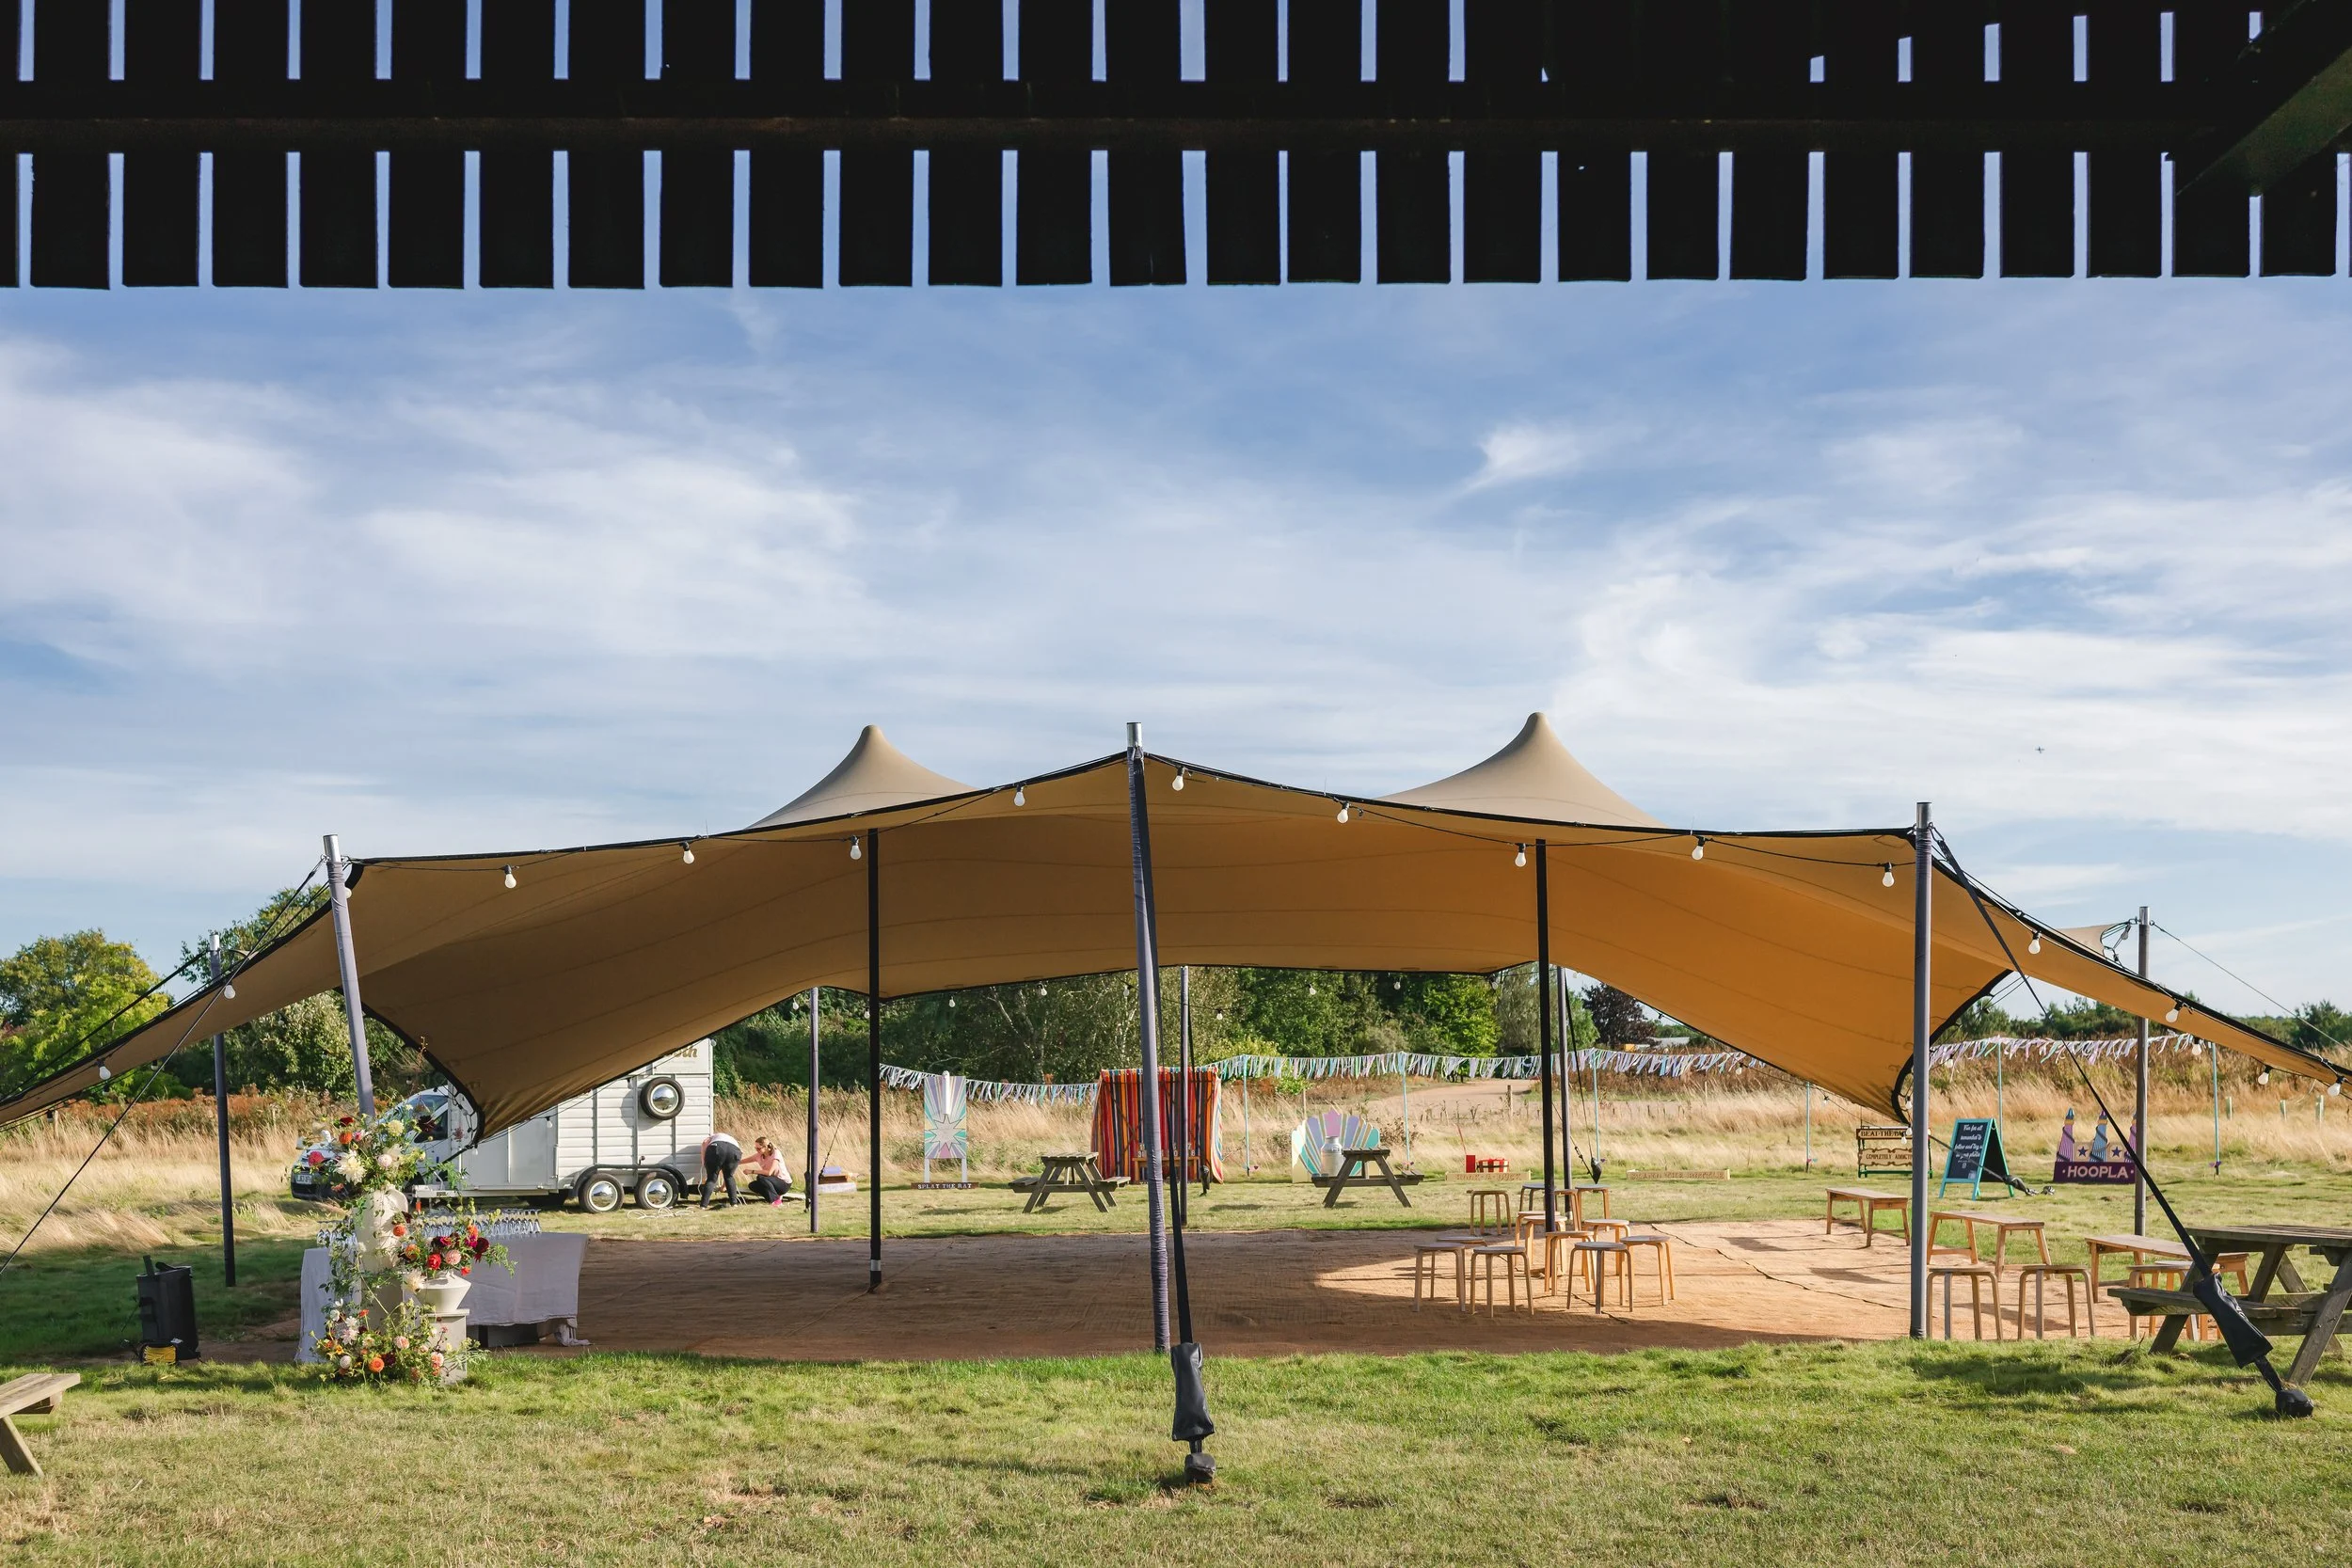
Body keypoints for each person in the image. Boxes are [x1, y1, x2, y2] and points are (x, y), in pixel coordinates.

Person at [743, 1137, 795, 1206]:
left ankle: (776, 1201)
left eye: (759, 1148)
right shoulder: (759, 1155)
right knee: (752, 1185)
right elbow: (745, 1160)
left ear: (766, 1147)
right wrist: (732, 1162)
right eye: (755, 1148)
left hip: (784, 1183)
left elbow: (769, 1173)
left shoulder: (776, 1153)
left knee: (760, 1177)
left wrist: (751, 1171)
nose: (757, 1150)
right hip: (772, 1182)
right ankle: (773, 1199)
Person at [699, 1130, 742, 1208]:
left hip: (716, 1147)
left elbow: (705, 1143)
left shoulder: (714, 1136)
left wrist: (703, 1160)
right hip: (734, 1150)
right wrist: (723, 1187)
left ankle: (703, 1205)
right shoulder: (733, 1139)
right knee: (729, 1177)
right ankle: (734, 1203)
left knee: (711, 1179)